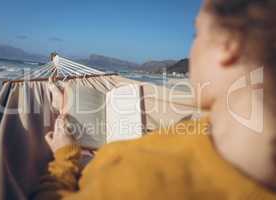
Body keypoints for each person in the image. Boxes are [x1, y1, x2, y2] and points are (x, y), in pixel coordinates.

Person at [31, 0, 276, 199]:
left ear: (227, 45)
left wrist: (65, 155)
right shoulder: (207, 128)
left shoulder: (139, 184)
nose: (192, 50)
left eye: (196, 34)